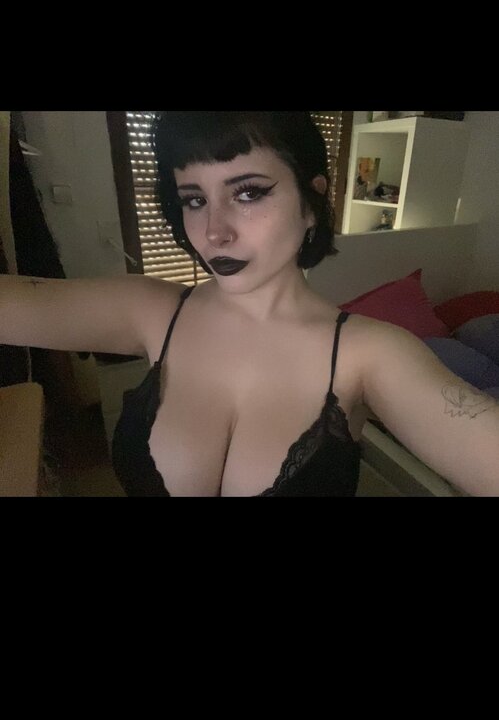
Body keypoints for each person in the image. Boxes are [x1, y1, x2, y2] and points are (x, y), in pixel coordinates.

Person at [1, 111, 498, 496]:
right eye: (194, 199)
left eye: (248, 193)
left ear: (311, 202)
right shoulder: (149, 309)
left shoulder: (371, 353)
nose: (214, 232)